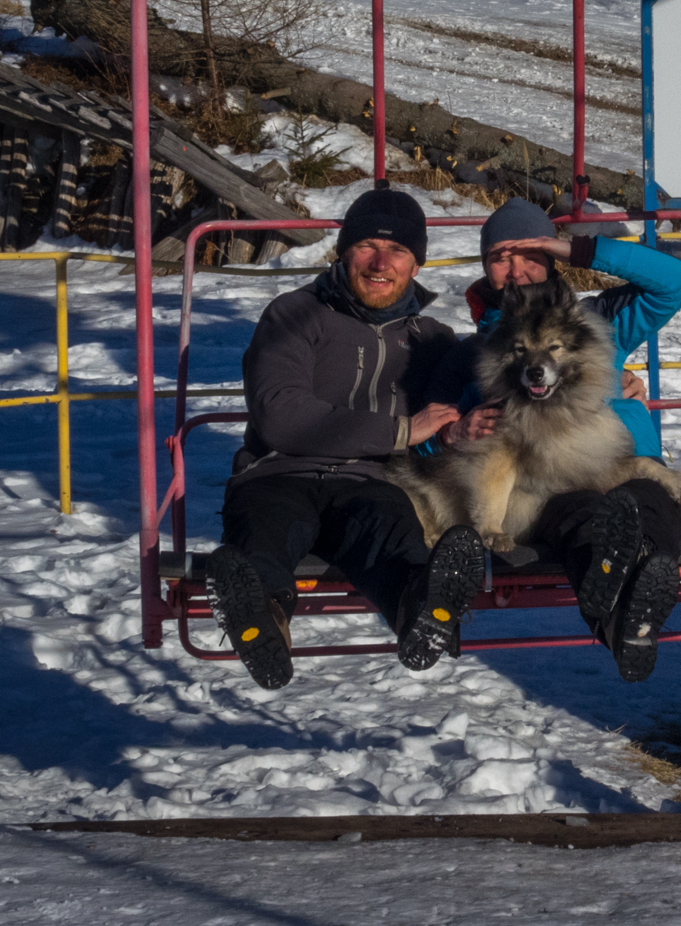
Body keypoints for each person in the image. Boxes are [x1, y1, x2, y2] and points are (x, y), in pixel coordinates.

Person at [205, 188, 492, 691]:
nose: (381, 262)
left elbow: (506, 370)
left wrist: (608, 380)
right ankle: (262, 621)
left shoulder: (432, 340)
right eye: (367, 246)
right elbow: (281, 415)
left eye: (398, 251)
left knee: (392, 535)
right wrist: (401, 431)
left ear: (416, 265)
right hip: (278, 472)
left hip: (370, 480)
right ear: (344, 251)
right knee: (266, 533)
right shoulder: (294, 314)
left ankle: (422, 610)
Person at [452, 196, 681, 680]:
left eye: (529, 254)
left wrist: (577, 249)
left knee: (650, 501)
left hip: (625, 463)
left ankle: (639, 589)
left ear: (550, 257)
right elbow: (459, 423)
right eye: (500, 257)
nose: (516, 270)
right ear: (484, 268)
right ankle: (625, 621)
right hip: (551, 485)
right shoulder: (480, 348)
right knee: (582, 520)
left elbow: (674, 281)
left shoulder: (597, 320)